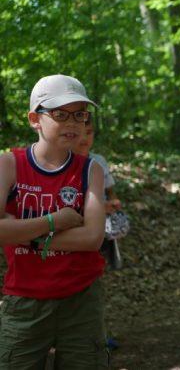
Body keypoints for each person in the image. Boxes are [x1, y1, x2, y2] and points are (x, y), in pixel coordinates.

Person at [0, 74, 108, 368]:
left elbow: (92, 238)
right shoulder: (9, 165)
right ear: (35, 119)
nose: (73, 123)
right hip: (25, 300)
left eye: (80, 115)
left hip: (82, 300)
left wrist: (24, 234)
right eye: (60, 114)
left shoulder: (91, 170)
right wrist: (54, 221)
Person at [74, 119, 126, 270]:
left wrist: (114, 203)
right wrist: (97, 209)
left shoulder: (99, 161)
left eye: (89, 132)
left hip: (102, 220)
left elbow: (110, 189)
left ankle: (106, 256)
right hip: (77, 220)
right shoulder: (63, 162)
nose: (84, 138)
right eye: (78, 133)